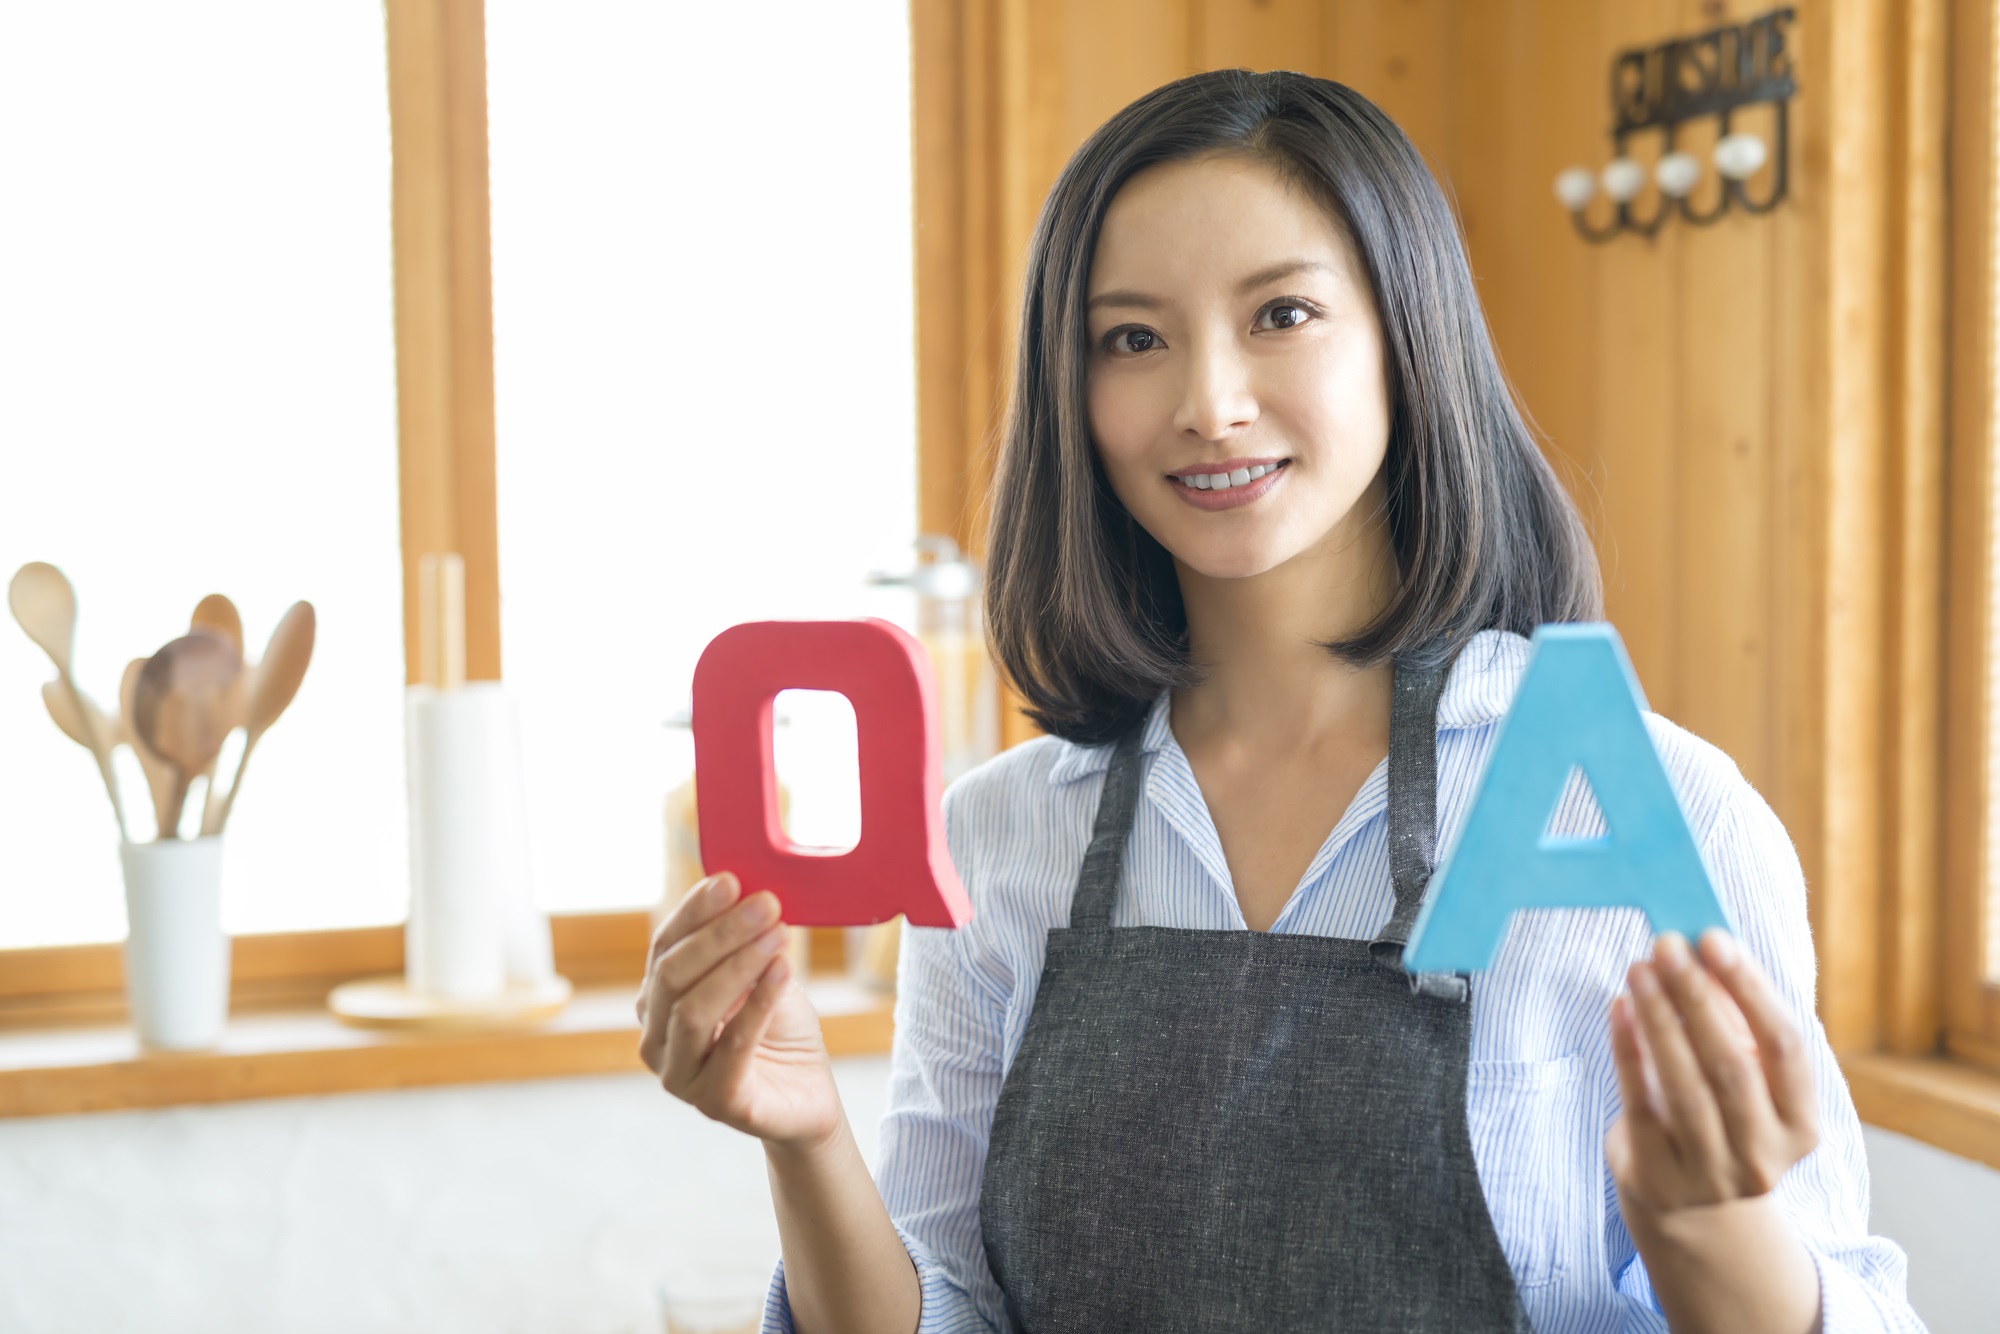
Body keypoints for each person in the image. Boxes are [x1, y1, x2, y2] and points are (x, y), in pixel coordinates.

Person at [637, 70, 1925, 1333]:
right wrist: (804, 1137)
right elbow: (948, 1312)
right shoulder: (1000, 839)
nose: (1209, 403)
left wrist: (1704, 1225)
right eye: (1131, 338)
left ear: (1404, 341)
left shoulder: (1653, 808)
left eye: (1282, 315)